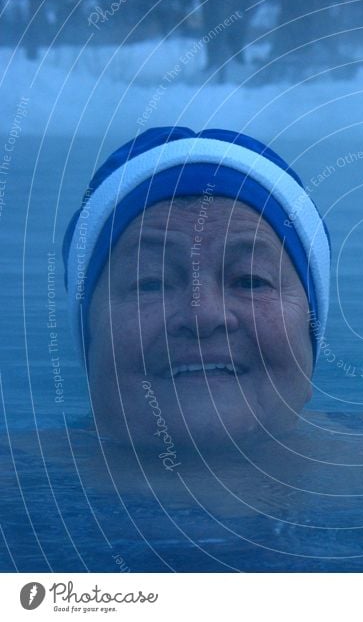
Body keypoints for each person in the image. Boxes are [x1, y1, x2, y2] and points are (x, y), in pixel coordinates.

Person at [61, 126, 330, 453]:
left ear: (310, 333)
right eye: (151, 283)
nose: (203, 315)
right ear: (89, 336)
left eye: (249, 280)